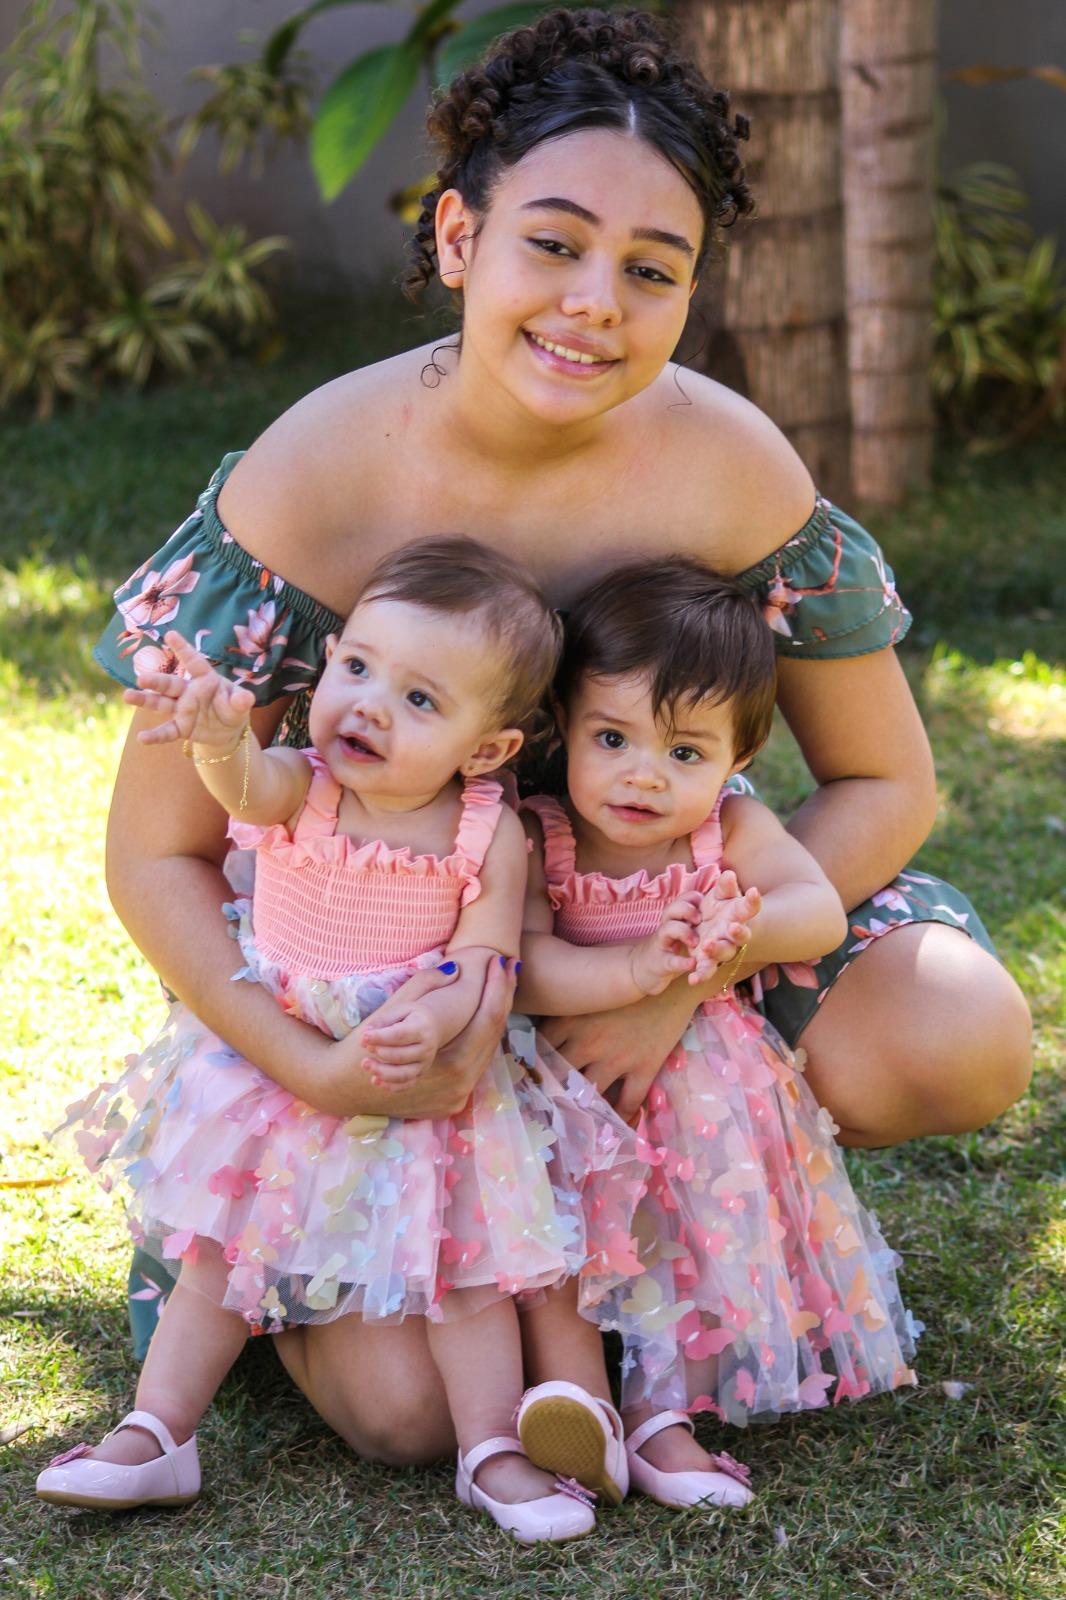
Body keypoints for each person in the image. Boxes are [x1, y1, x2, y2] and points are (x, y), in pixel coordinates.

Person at [87, 7, 1027, 1474]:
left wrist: (680, 978)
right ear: (458, 236)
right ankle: (363, 1252)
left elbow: (885, 780)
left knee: (953, 1027)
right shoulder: (314, 480)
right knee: (403, 1418)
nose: (595, 302)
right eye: (553, 243)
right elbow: (154, 853)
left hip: (646, 926)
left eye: (650, 270)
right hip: (396, 982)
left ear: (690, 293)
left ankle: (698, 1203)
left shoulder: (730, 470)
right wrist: (310, 1063)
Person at [38, 539, 643, 1542]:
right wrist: (216, 735)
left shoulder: (484, 830)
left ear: (486, 747)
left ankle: (491, 1448)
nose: (366, 704)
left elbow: (487, 957)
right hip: (278, 1068)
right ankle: (156, 1433)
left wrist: (437, 1013)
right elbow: (241, 786)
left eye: (419, 700)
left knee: (465, 1264)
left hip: (424, 1078)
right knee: (222, 1249)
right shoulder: (306, 784)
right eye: (356, 667)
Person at [512, 558, 920, 1512]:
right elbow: (521, 963)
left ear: (738, 760)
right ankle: (574, 1401)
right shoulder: (538, 835)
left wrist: (729, 936)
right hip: (558, 1078)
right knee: (553, 1238)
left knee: (680, 1242)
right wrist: (630, 975)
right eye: (611, 737)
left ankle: (664, 1419)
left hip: (696, 1094)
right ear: (562, 728)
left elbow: (814, 910)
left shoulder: (726, 832)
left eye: (686, 754)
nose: (644, 776)